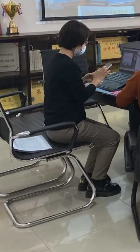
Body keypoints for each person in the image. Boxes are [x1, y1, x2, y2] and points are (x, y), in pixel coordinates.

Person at [44, 20, 121, 198]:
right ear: (77, 43)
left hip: (56, 123)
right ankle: (99, 183)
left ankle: (87, 178)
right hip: (65, 127)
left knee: (103, 134)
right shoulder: (68, 65)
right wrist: (97, 80)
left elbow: (67, 89)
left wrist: (84, 79)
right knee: (112, 138)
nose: (85, 45)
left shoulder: (57, 61)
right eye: (85, 41)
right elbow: (80, 97)